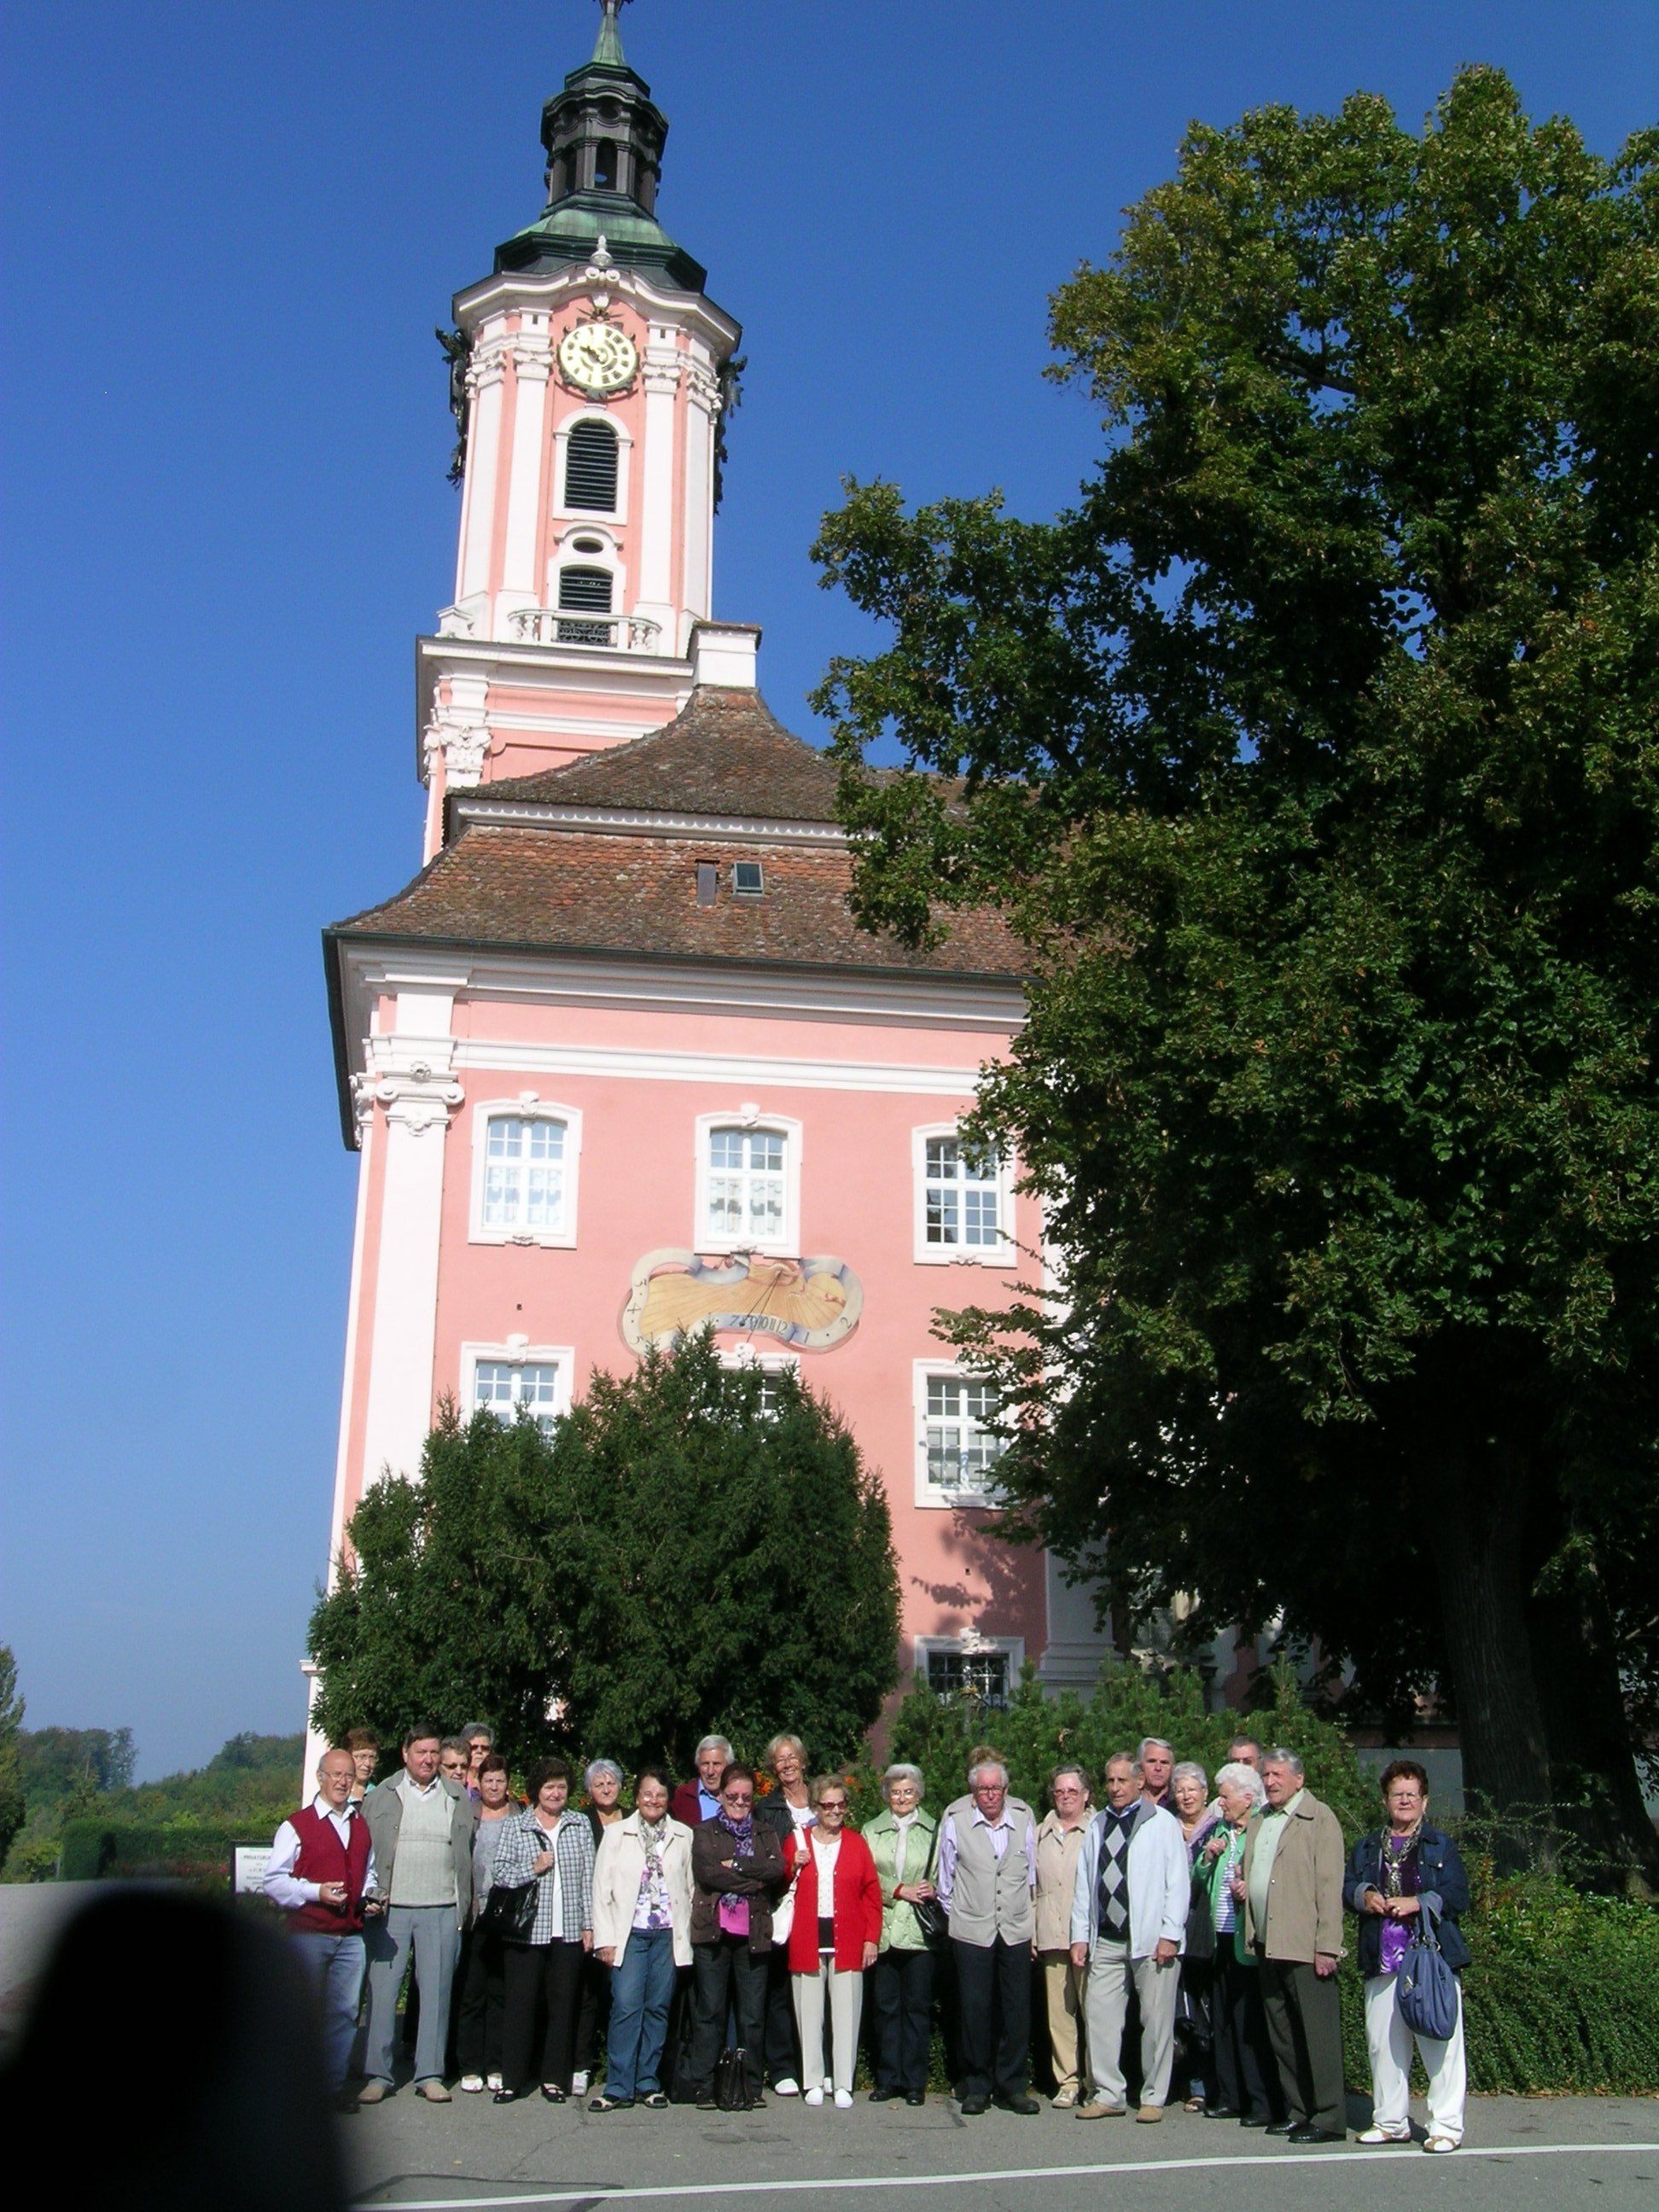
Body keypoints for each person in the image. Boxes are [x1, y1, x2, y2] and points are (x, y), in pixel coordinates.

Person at [1344, 1760, 1471, 2154]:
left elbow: (1458, 1896)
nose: (1404, 1801)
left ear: (1424, 1801)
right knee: (1383, 2045)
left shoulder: (1440, 1845)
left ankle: (1446, 2126)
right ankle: (1390, 2121)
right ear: (1386, 1800)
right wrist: (1364, 1895)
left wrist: (1417, 1902)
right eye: (1397, 1794)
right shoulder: (1367, 1846)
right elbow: (1347, 1887)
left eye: (1411, 1795)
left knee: (1439, 2041)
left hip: (1430, 1959)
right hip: (1381, 1957)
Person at [359, 1722, 477, 2104]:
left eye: (433, 1753)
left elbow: (466, 1853)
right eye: (420, 1752)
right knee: (383, 1994)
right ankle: (378, 2074)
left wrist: (463, 1908)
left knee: (437, 1994)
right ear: (405, 1754)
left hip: (441, 1907)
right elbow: (365, 1851)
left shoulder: (457, 1796)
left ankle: (430, 2073)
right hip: (391, 1909)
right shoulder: (382, 1795)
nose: (428, 1759)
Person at [1069, 1752, 1190, 2123]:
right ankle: (1109, 2094)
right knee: (1099, 2017)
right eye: (1110, 1781)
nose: (1115, 1787)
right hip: (1106, 1938)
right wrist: (1080, 1935)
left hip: (1151, 1939)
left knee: (1155, 2021)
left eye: (1122, 1780)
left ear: (1139, 1782)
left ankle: (1153, 2096)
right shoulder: (1097, 1824)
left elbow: (1178, 1882)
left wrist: (1170, 1933)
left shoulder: (1161, 1822)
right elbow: (1085, 1885)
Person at [1239, 1747, 1348, 2145]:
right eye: (1266, 1775)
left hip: (1305, 1945)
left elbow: (1329, 1887)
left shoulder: (1319, 1818)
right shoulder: (1260, 1820)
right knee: (1283, 2035)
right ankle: (1299, 2109)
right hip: (1268, 1941)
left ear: (1299, 1779)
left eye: (1278, 1775)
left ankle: (1330, 2116)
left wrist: (1327, 1946)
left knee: (1317, 2036)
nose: (1270, 1782)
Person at [263, 1746, 375, 2100]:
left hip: (351, 1935)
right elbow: (274, 1881)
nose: (343, 1782)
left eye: (348, 1776)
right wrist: (315, 1892)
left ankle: (331, 2088)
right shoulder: (296, 1826)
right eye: (336, 1775)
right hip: (309, 1933)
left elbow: (368, 1872)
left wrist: (370, 1896)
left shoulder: (360, 1825)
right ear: (320, 1778)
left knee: (344, 2014)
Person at [936, 1757, 1039, 2116]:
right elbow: (945, 1881)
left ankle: (1012, 2086)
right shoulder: (956, 1820)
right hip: (971, 1930)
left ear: (1006, 1790)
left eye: (996, 1788)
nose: (991, 1795)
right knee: (974, 2010)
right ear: (973, 1792)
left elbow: (1031, 1877)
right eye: (983, 1789)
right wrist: (966, 1916)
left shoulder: (1024, 1818)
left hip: (1015, 1928)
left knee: (1016, 2010)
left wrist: (1025, 1920)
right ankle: (977, 2085)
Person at [589, 1767, 695, 2111]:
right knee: (626, 2005)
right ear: (636, 1797)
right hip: (630, 1933)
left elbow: (690, 1889)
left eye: (660, 1794)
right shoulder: (616, 1834)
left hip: (667, 1934)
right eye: (647, 1794)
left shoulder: (683, 1835)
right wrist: (605, 1940)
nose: (654, 1800)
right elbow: (601, 1890)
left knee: (658, 2007)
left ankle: (648, 2082)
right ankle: (618, 2085)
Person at [492, 1757, 597, 2104]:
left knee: (562, 2008)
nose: (555, 1793)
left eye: (561, 1787)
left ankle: (554, 2079)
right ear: (536, 1789)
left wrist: (588, 1925)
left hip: (567, 1933)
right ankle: (512, 2079)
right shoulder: (516, 1826)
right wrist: (533, 1868)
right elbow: (500, 1873)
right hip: (526, 1933)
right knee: (520, 2007)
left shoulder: (579, 1824)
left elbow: (588, 1879)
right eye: (549, 1787)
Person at [686, 1762, 789, 2107]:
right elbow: (708, 1873)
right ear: (721, 1795)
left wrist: (738, 1866)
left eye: (746, 1797)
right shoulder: (705, 1832)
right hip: (714, 1932)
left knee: (752, 2016)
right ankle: (704, 2085)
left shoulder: (764, 1832)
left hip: (753, 1934)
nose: (740, 1802)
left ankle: (750, 2086)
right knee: (710, 2012)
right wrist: (752, 1880)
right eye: (733, 1796)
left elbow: (776, 1869)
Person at [781, 1777, 881, 2107]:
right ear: (815, 1808)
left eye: (841, 1805)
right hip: (806, 1936)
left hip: (848, 1937)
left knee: (846, 2013)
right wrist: (791, 1866)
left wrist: (871, 1939)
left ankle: (843, 2083)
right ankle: (812, 2080)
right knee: (809, 2012)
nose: (836, 1811)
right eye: (828, 1805)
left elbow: (871, 1895)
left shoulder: (856, 1843)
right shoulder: (797, 1841)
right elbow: (778, 1884)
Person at [1197, 1761, 1281, 2128]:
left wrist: (1250, 1888)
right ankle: (1229, 2096)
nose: (1221, 1802)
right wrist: (1207, 1857)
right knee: (1223, 2021)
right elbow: (1198, 1877)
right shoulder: (1219, 1830)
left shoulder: (1260, 1831)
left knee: (1250, 2025)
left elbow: (1273, 1878)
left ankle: (1260, 2101)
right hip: (1220, 1940)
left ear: (1248, 1798)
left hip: (1247, 1942)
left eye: (1226, 1796)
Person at [862, 1762, 939, 2107]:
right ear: (887, 1795)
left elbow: (944, 1871)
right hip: (884, 1930)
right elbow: (865, 1877)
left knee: (917, 2009)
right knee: (885, 2008)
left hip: (920, 1933)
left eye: (908, 1791)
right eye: (896, 1792)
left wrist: (933, 1888)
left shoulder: (935, 1830)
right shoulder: (871, 1830)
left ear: (918, 1794)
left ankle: (914, 2082)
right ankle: (887, 2078)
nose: (902, 1798)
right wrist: (897, 1889)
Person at [456, 1753, 519, 2094]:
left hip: (509, 1918)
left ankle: (496, 2063)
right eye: (488, 1780)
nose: (494, 1786)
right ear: (478, 1783)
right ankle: (470, 2065)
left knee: (501, 1993)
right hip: (475, 1916)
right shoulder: (467, 1815)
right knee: (473, 1992)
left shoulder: (520, 1816)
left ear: (509, 1783)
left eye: (500, 1780)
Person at [756, 1732, 815, 2095]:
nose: (788, 1764)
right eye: (780, 1759)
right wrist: (786, 1866)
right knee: (779, 1988)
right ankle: (782, 2069)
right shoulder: (767, 1809)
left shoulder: (824, 1799)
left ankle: (816, 2065)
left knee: (815, 1987)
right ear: (773, 1768)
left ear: (803, 1761)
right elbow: (763, 1859)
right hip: (782, 1905)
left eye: (792, 1756)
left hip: (820, 1905)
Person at [1034, 1763, 1093, 2107]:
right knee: (1059, 2015)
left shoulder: (1096, 1829)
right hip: (1051, 1933)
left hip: (1087, 1936)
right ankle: (1067, 2081)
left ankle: (1095, 2082)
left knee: (1093, 2012)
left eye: (1073, 1791)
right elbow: (1030, 1886)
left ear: (1086, 1795)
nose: (1066, 1797)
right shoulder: (1040, 1833)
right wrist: (1032, 1934)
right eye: (1060, 1791)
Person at [572, 1759, 627, 2095]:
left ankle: (616, 2063)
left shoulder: (634, 1818)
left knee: (622, 1996)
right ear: (589, 1790)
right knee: (588, 1995)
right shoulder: (582, 1822)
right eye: (599, 1784)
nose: (606, 1789)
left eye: (611, 1783)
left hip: (628, 1918)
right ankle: (582, 2063)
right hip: (592, 1917)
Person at [1171, 1761, 1220, 2110]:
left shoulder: (1218, 1827)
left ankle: (1215, 2084)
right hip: (1175, 1929)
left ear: (1205, 1793)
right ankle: (1192, 2084)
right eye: (1180, 1790)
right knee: (1183, 2010)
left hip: (1209, 1929)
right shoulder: (1165, 1827)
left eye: (1193, 1789)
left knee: (1209, 2007)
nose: (1187, 1796)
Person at [671, 1735, 733, 1828]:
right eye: (705, 1764)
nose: (710, 1771)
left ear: (729, 1766)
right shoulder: (681, 1797)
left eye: (716, 1764)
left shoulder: (740, 1798)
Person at [1138, 1738, 1176, 1811]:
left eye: (1164, 1763)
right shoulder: (1130, 1800)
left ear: (1172, 1767)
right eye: (1152, 1761)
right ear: (1140, 1765)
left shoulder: (1179, 1804)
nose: (1158, 1768)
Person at [345, 1728, 380, 1804]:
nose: (368, 1763)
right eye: (362, 1756)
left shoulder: (379, 1795)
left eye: (372, 1757)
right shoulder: (337, 1794)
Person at [462, 1724, 495, 1800]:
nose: (479, 1751)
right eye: (474, 1747)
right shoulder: (457, 1777)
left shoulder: (495, 1781)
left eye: (485, 1748)